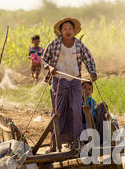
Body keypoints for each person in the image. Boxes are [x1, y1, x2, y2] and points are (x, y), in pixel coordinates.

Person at [42, 17, 97, 151]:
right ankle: (54, 144)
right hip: (59, 82)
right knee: (58, 112)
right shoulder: (54, 44)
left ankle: (76, 141)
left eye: (70, 29)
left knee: (76, 110)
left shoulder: (79, 45)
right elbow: (44, 60)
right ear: (60, 31)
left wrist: (92, 72)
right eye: (65, 29)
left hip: (75, 82)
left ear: (74, 31)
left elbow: (89, 60)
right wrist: (49, 68)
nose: (67, 31)